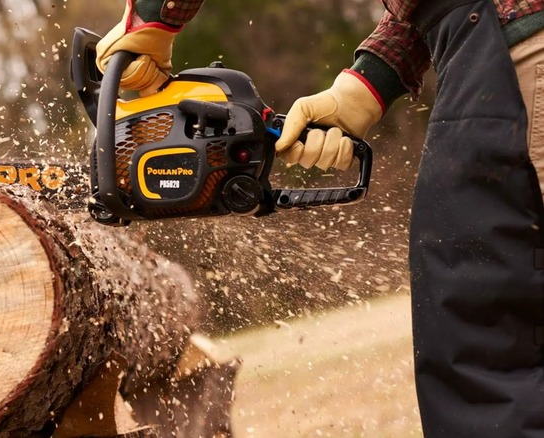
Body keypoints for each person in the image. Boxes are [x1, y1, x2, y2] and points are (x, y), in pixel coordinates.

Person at [96, 1, 544, 436]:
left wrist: (152, 18)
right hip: (477, 46)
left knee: (486, 345)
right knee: (472, 325)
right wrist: (366, 85)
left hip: (518, 52)